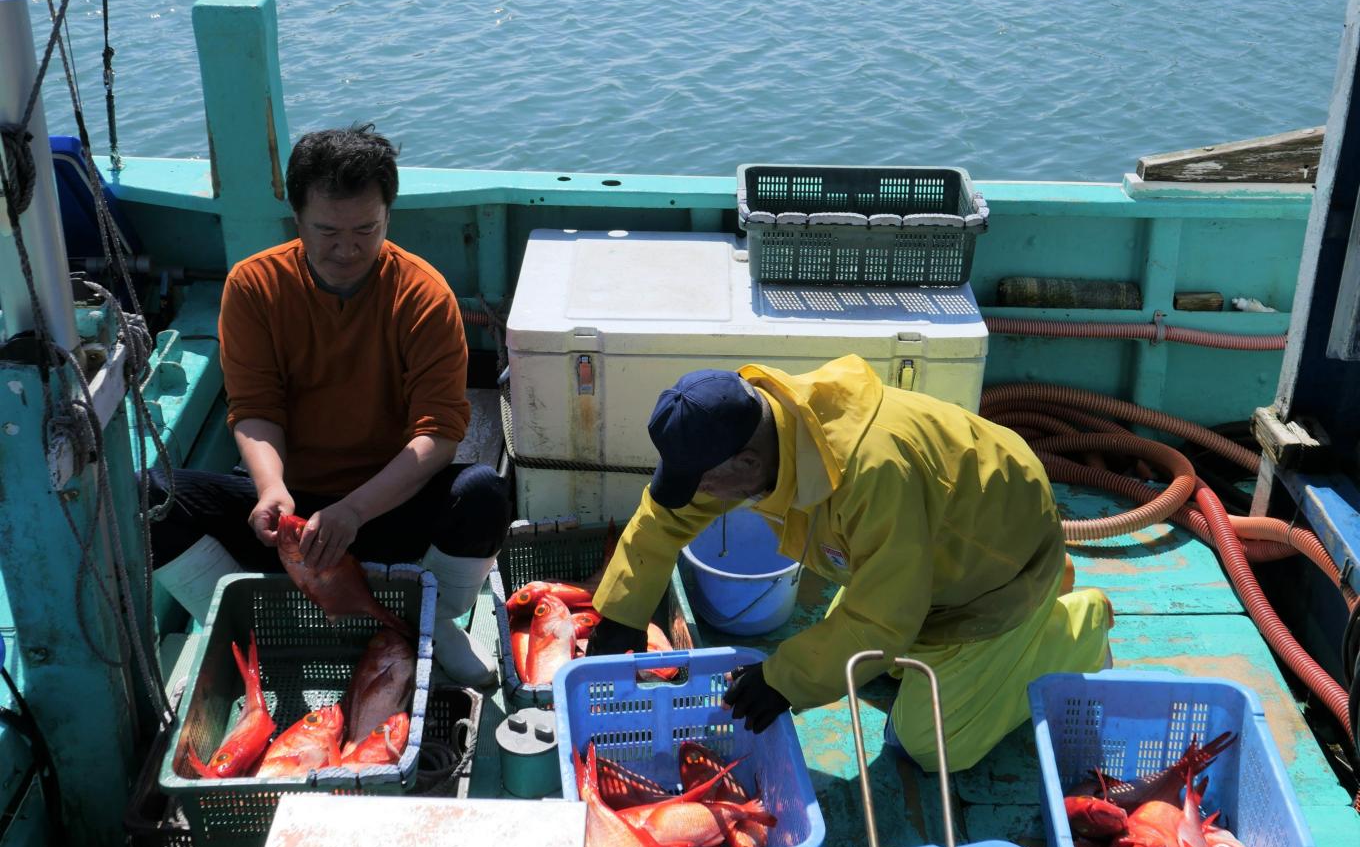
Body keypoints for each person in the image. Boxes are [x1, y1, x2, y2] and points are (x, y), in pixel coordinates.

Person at [586, 354, 1111, 770]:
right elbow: (665, 517)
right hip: (926, 564)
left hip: (997, 577)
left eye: (703, 482)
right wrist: (620, 614)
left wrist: (782, 679)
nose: (698, 494)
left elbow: (884, 618)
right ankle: (1028, 617)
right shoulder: (762, 427)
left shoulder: (874, 472)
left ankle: (1071, 624)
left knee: (926, 748)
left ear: (746, 463)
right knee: (867, 661)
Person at [149, 125, 509, 687]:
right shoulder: (254, 286)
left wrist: (355, 511)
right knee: (153, 498)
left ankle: (429, 626)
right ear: (297, 219)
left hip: (389, 503)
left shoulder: (424, 293)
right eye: (327, 231)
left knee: (484, 492)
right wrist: (271, 489)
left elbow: (438, 433)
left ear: (389, 216)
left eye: (367, 229)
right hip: (295, 510)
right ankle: (252, 636)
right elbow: (254, 406)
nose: (347, 248)